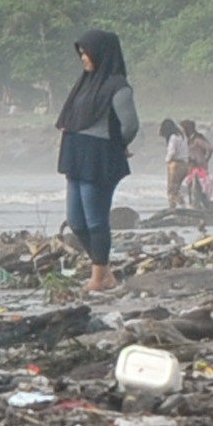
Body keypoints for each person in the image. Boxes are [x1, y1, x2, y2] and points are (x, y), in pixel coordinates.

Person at [54, 29, 139, 295]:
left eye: (87, 54)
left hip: (99, 157)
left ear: (102, 54)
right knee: (76, 221)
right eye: (81, 54)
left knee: (95, 220)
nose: (84, 59)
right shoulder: (85, 83)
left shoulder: (118, 87)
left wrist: (117, 147)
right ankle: (105, 273)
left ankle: (99, 278)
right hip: (76, 154)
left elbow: (130, 125)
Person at [183, 122, 213, 206]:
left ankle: (204, 204)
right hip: (191, 167)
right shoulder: (188, 140)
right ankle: (193, 204)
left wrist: (205, 160)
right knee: (191, 187)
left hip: (199, 168)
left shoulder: (198, 139)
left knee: (202, 187)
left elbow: (210, 149)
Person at [162, 119, 192, 212]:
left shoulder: (173, 137)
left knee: (171, 189)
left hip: (175, 165)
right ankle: (184, 205)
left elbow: (172, 151)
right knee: (177, 188)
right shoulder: (182, 136)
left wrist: (167, 160)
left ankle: (172, 208)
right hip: (185, 164)